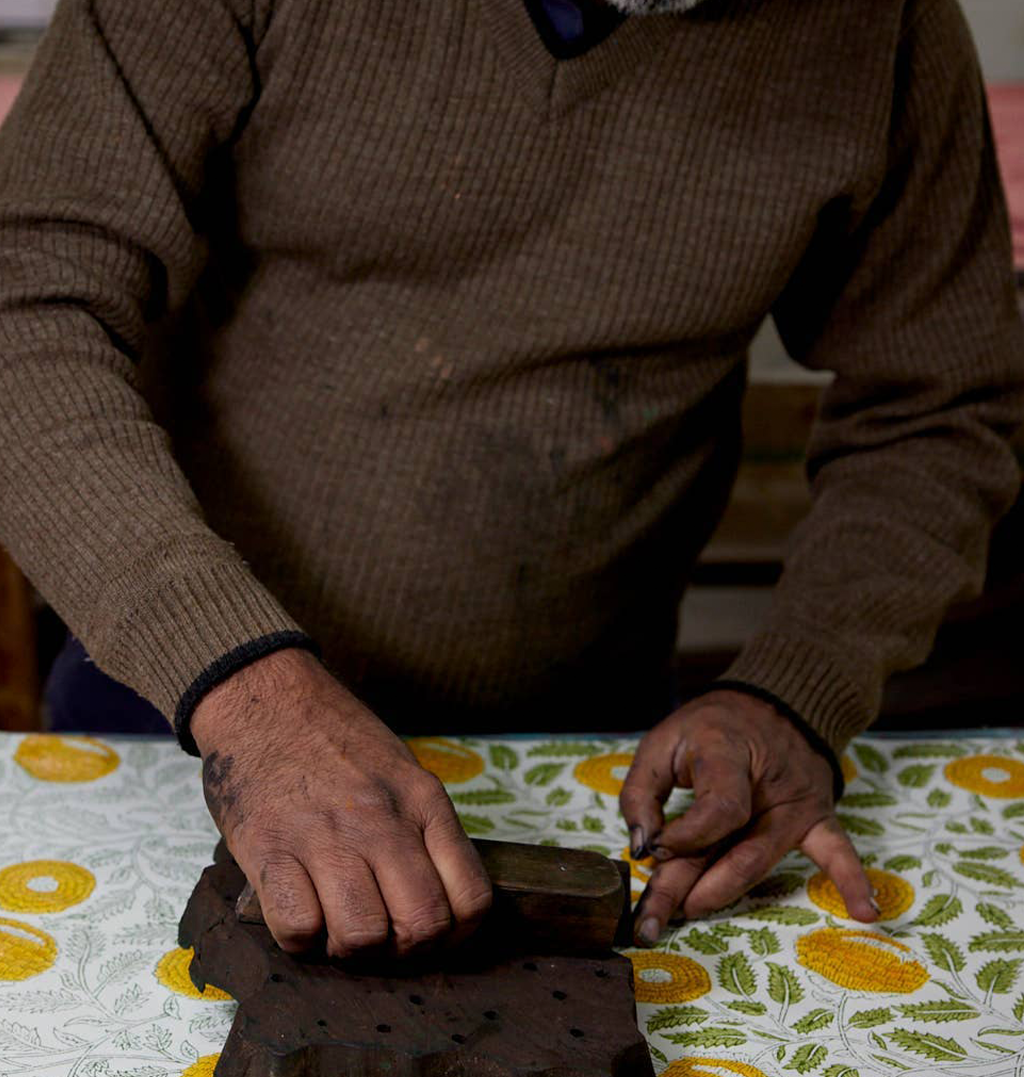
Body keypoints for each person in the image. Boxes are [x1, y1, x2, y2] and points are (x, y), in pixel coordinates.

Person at [1, 0, 1022, 963]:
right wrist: (253, 704)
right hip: (179, 702)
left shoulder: (880, 24)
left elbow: (939, 406)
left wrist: (797, 691)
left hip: (583, 746)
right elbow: (23, 311)